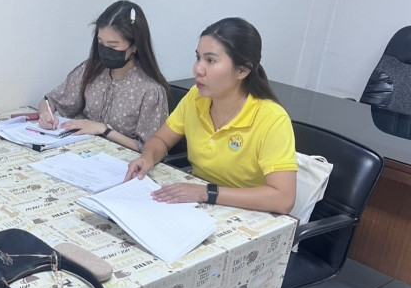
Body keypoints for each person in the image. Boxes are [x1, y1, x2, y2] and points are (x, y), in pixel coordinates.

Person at [125, 17, 297, 214]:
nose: (198, 69)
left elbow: (283, 199)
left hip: (247, 213)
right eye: (198, 57)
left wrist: (206, 193)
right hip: (199, 205)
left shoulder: (272, 118)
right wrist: (148, 157)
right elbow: (161, 140)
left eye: (211, 60)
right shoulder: (196, 97)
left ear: (242, 70)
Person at [38, 0, 170, 151]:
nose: (105, 50)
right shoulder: (90, 69)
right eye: (101, 43)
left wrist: (103, 130)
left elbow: (151, 149)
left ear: (135, 46)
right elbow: (51, 100)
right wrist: (45, 114)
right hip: (78, 152)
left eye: (113, 45)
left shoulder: (150, 91)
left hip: (119, 161)